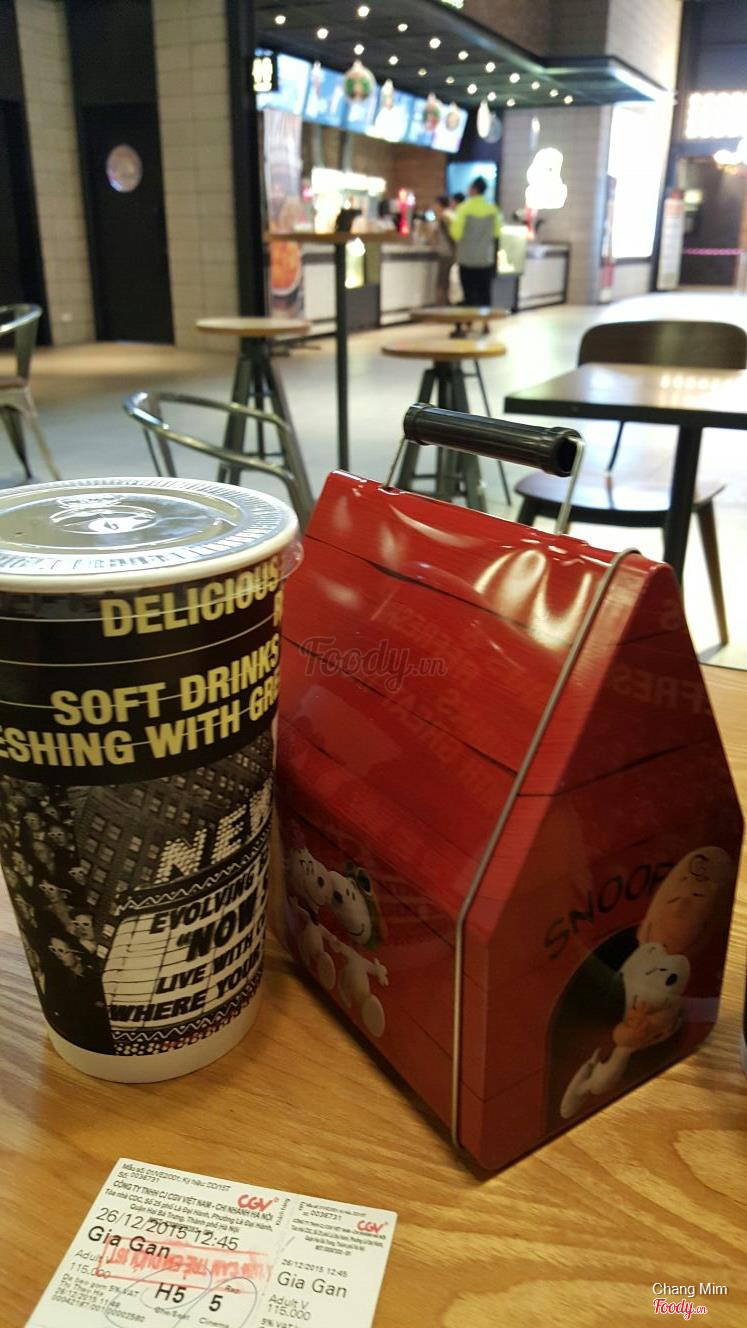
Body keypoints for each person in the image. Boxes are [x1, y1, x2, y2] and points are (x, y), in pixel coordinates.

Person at [450, 177, 502, 323]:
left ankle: (469, 321)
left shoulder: (463, 208)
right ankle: (485, 323)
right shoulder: (493, 209)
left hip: (466, 259)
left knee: (469, 293)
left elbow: (456, 234)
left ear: (474, 189)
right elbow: (497, 233)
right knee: (485, 293)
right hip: (485, 259)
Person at [430, 195, 455, 304]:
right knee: (447, 282)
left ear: (440, 205)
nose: (433, 207)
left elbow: (449, 237)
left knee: (442, 283)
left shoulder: (444, 218)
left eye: (435, 204)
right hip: (450, 254)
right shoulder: (451, 216)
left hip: (446, 254)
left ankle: (441, 305)